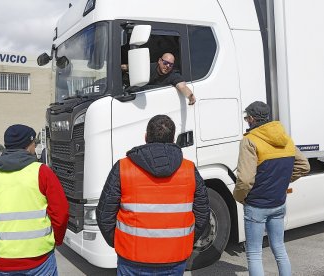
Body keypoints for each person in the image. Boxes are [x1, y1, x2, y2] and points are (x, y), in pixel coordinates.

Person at [96, 114, 209, 275]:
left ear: (146, 137)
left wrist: (120, 242)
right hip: (174, 258)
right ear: (173, 139)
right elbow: (203, 213)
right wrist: (185, 241)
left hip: (132, 259)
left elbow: (104, 214)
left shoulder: (123, 167)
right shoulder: (189, 170)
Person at [0, 124, 69, 276]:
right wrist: (54, 240)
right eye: (34, 143)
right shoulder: (41, 172)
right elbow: (60, 213)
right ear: (28, 145)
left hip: (4, 260)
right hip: (40, 258)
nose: (35, 146)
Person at [233, 101, 310, 276]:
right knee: (279, 248)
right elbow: (304, 166)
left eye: (247, 118)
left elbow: (245, 180)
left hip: (256, 205)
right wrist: (280, 181)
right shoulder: (285, 138)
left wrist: (239, 197)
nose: (247, 121)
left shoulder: (249, 140)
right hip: (278, 202)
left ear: (252, 118)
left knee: (254, 254)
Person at [121, 53, 196, 105]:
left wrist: (190, 97)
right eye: (165, 63)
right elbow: (129, 67)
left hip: (157, 100)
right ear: (160, 61)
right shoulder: (149, 67)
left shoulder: (173, 74)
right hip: (138, 98)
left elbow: (182, 86)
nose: (167, 66)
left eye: (171, 65)